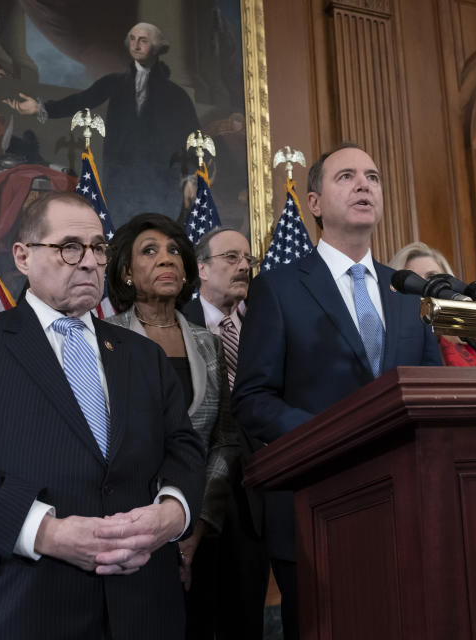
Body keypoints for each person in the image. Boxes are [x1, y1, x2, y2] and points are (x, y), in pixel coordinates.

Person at [0, 192, 206, 639]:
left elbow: (183, 447)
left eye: (99, 248)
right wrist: (46, 532)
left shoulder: (143, 355)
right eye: (70, 247)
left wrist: (171, 514)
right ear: (23, 256)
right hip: (14, 603)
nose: (89, 262)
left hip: (141, 604)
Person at [231, 143, 441, 640]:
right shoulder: (279, 288)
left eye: (372, 176)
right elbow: (253, 399)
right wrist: (333, 439)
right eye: (346, 176)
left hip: (406, 510)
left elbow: (432, 391)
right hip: (315, 511)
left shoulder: (408, 290)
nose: (364, 184)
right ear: (314, 203)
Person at [103, 214, 242, 639]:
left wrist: (195, 525)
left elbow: (224, 438)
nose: (166, 259)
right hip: (126, 525)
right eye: (150, 251)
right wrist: (150, 523)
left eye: (174, 251)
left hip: (200, 526)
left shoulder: (208, 341)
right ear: (126, 272)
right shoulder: (103, 336)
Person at [4, 22, 200, 224]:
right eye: (132, 39)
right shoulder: (115, 83)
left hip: (161, 181)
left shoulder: (176, 95)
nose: (136, 45)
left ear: (158, 47)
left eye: (143, 40)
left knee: (157, 235)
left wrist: (189, 177)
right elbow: (81, 101)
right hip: (121, 179)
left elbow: (191, 138)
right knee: (121, 235)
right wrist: (40, 107)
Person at [184, 226, 269, 639]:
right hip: (197, 491)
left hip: (255, 489)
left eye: (248, 260)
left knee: (246, 617)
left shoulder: (265, 325)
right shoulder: (178, 324)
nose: (242, 267)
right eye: (231, 258)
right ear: (201, 267)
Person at [388, 241, 476, 366]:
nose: (423, 285)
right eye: (412, 280)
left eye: (431, 277)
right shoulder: (394, 343)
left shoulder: (470, 339)